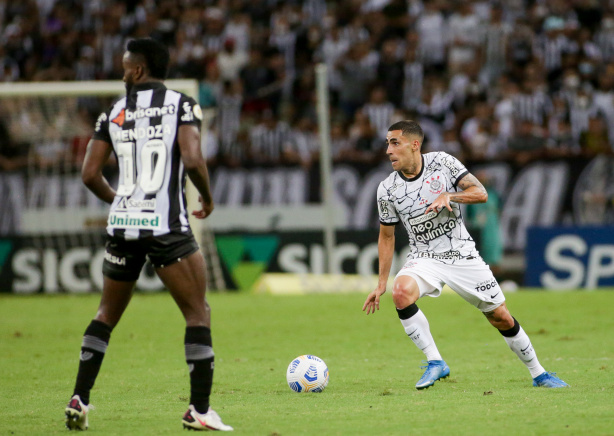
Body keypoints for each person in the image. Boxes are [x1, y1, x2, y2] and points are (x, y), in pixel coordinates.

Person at [64, 38, 233, 431]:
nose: (122, 73)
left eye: (125, 66)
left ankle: (80, 397)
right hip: (166, 226)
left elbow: (89, 174)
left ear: (138, 70)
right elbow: (192, 159)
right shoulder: (183, 104)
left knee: (106, 313)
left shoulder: (115, 111)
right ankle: (200, 410)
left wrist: (121, 200)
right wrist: (207, 197)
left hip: (123, 225)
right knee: (197, 312)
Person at [362, 120, 568, 390]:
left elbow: (480, 193)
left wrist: (450, 196)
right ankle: (436, 362)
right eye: (387, 143)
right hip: (424, 257)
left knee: (500, 316)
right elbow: (386, 237)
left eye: (395, 143)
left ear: (415, 145)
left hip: (461, 254)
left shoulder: (442, 163)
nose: (388, 150)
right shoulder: (387, 189)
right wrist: (381, 284)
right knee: (401, 292)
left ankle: (539, 373)